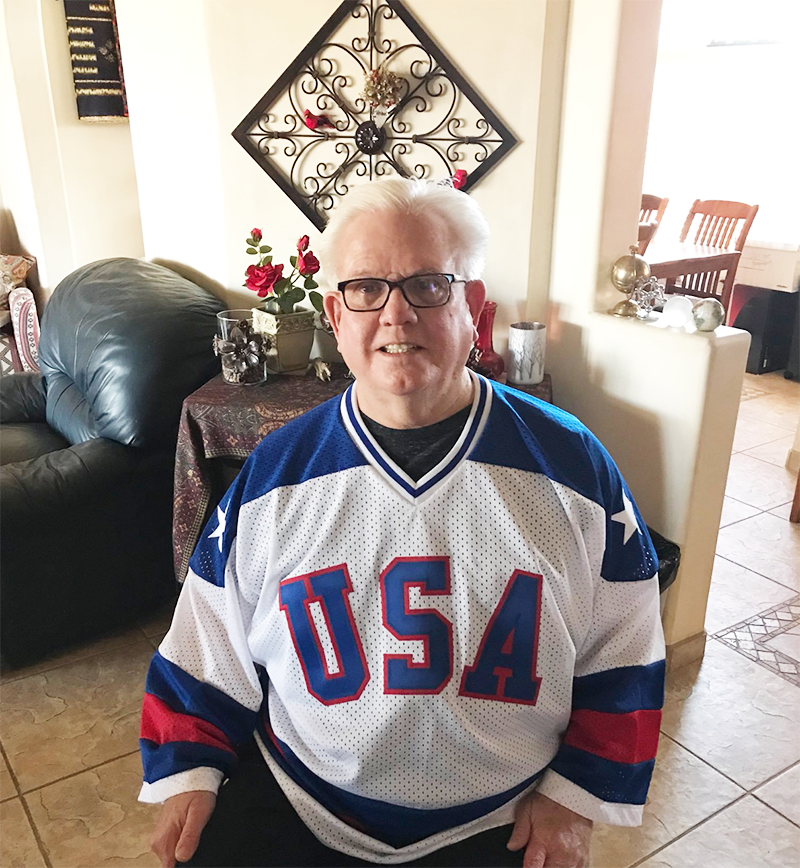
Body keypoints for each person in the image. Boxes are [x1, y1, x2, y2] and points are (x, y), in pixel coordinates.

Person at [139, 178, 665, 868]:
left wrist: (578, 795)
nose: (396, 314)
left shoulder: (572, 465)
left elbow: (626, 643)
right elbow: (209, 635)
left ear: (473, 307)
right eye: (367, 288)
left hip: (499, 817)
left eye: (428, 286)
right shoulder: (275, 472)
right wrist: (189, 765)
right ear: (335, 315)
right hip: (304, 800)